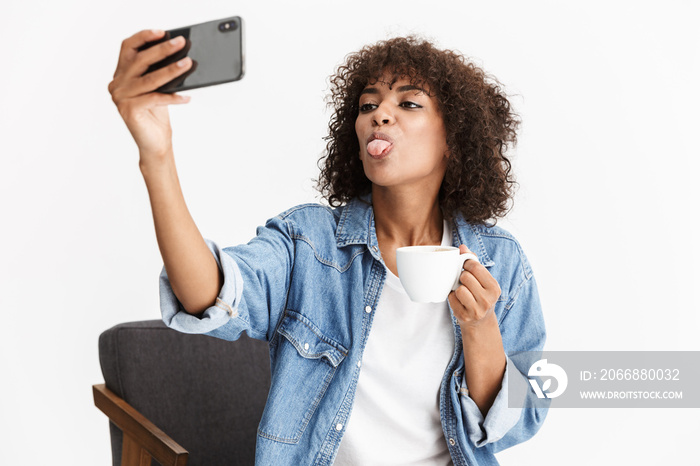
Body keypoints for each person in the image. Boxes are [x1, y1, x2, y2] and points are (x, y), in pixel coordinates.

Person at [109, 30, 548, 465]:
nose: (380, 116)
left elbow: (516, 421)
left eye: (408, 103)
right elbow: (208, 294)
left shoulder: (500, 261)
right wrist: (157, 157)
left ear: (455, 140)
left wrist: (479, 326)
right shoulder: (308, 242)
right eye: (368, 105)